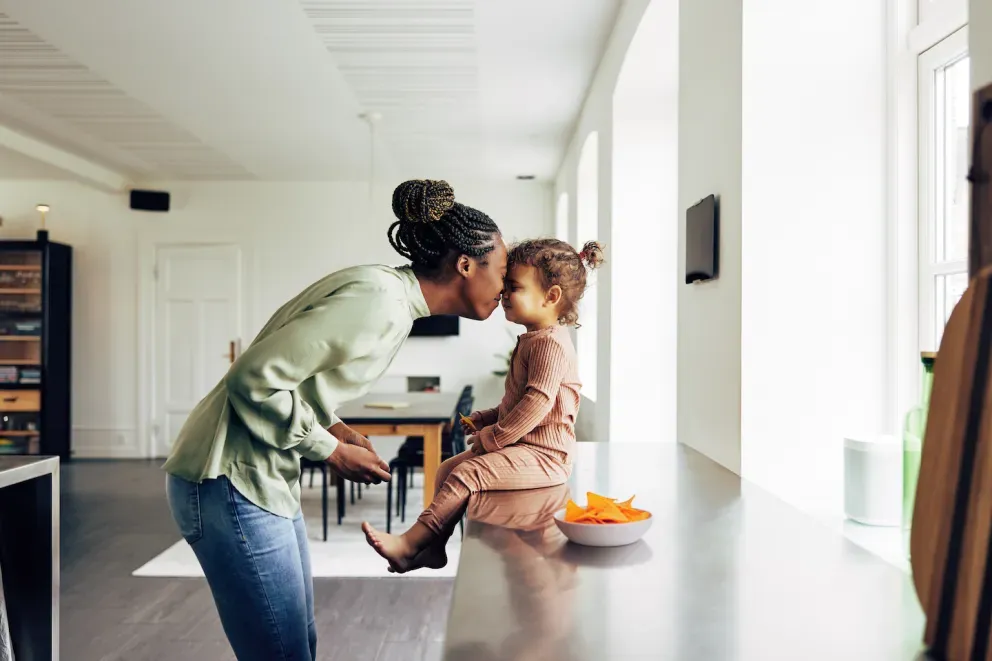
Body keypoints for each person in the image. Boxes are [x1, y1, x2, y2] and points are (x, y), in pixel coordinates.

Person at [162, 179, 506, 661]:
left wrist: (336, 428)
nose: (507, 287)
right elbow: (253, 379)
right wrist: (330, 451)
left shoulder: (389, 297)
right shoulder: (379, 301)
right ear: (466, 266)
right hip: (228, 479)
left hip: (255, 478)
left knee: (297, 643)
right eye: (504, 271)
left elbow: (297, 380)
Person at [362, 237, 605, 573]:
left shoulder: (550, 345)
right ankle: (434, 547)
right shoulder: (533, 339)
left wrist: (496, 436)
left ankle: (409, 543)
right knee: (447, 468)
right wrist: (487, 417)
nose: (503, 294)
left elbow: (537, 403)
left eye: (514, 287)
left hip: (547, 457)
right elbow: (519, 401)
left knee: (467, 474)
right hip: (525, 447)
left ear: (551, 297)